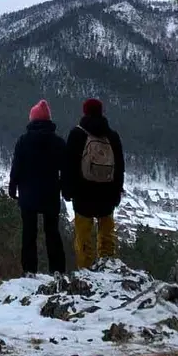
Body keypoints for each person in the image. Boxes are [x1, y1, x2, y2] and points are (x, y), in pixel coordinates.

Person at [64, 97, 124, 269]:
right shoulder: (112, 136)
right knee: (106, 237)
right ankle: (108, 269)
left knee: (83, 238)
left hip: (83, 195)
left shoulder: (77, 134)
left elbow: (69, 164)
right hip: (107, 195)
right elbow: (120, 166)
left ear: (84, 112)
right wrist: (117, 192)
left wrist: (68, 191)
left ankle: (86, 270)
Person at [8, 99, 67, 275]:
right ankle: (57, 269)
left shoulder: (23, 141)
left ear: (32, 120)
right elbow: (66, 169)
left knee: (29, 233)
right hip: (50, 193)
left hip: (28, 194)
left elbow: (16, 166)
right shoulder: (58, 142)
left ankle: (29, 270)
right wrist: (65, 189)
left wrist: (13, 186)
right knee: (52, 233)